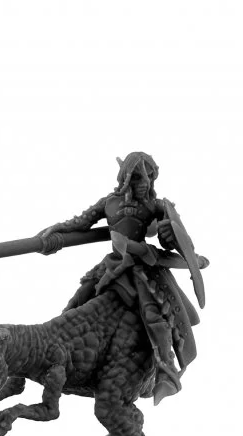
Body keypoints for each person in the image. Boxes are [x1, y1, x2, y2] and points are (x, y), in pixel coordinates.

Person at [37, 152, 203, 404]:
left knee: (154, 314)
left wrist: (169, 234)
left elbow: (176, 241)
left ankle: (167, 372)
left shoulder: (156, 206)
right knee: (79, 299)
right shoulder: (109, 202)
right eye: (137, 176)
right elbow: (82, 222)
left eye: (149, 176)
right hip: (114, 264)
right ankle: (55, 345)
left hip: (142, 265)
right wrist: (56, 231)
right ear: (124, 177)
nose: (144, 182)